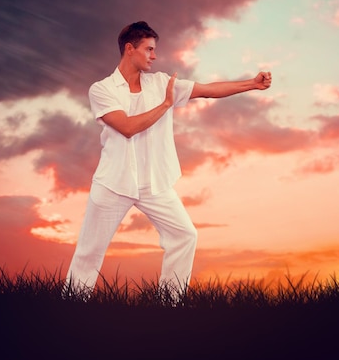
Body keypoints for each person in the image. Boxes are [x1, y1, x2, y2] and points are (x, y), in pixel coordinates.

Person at [65, 21, 272, 298]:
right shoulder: (102, 90)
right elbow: (126, 128)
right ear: (130, 49)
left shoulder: (163, 83)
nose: (154, 55)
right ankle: (71, 304)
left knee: (185, 236)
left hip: (155, 183)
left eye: (155, 50)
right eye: (149, 49)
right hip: (114, 182)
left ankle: (170, 303)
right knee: (89, 251)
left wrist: (252, 84)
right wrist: (165, 104)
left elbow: (207, 90)